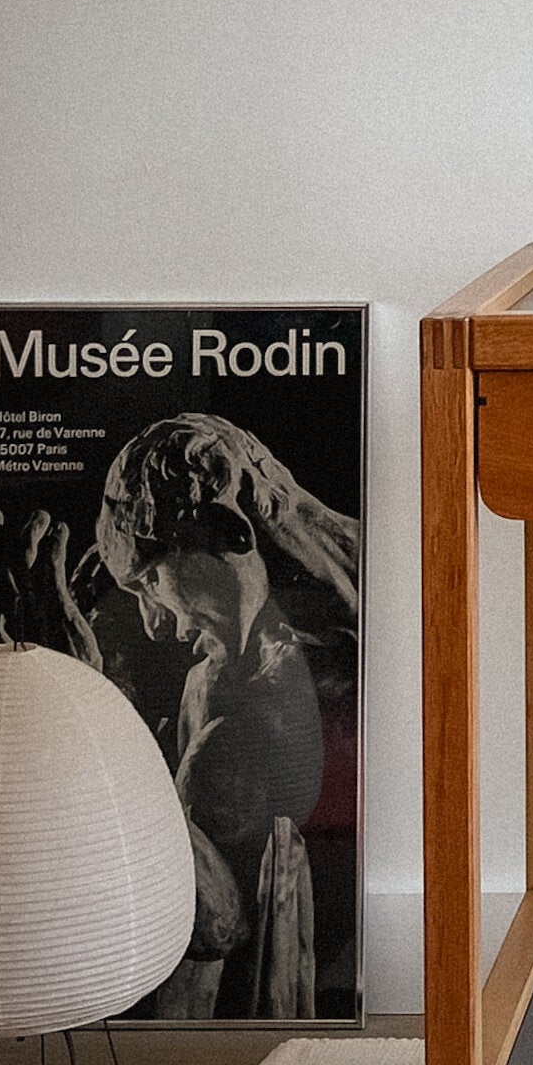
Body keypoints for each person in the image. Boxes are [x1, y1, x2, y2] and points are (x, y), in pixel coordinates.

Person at [92, 417, 359, 1019]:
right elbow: (213, 924)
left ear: (229, 530)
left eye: (150, 580)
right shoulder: (217, 685)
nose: (156, 626)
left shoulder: (411, 598)